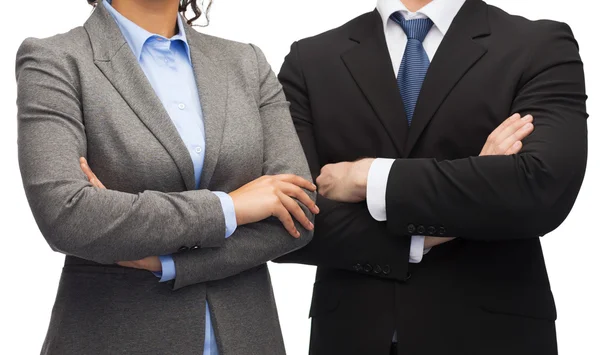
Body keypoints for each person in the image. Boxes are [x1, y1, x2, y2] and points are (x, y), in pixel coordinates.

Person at [275, 0, 587, 354]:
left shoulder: (538, 45)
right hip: (353, 336)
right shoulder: (310, 60)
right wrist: (474, 188)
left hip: (494, 336)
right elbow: (287, 221)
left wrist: (367, 176)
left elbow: (539, 188)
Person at [15, 0, 318, 354]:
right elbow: (67, 215)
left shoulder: (246, 62)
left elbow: (299, 210)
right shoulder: (56, 60)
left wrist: (170, 263)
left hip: (247, 337)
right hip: (115, 336)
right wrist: (230, 208)